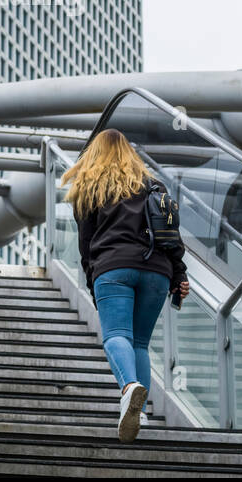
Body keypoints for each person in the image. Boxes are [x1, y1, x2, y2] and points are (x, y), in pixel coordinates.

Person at [65, 128, 190, 442]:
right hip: (157, 272)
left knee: (116, 336)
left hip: (114, 267)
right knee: (140, 344)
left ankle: (129, 389)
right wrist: (179, 277)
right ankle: (141, 413)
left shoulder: (89, 187)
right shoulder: (153, 186)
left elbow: (86, 244)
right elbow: (172, 238)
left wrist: (94, 283)